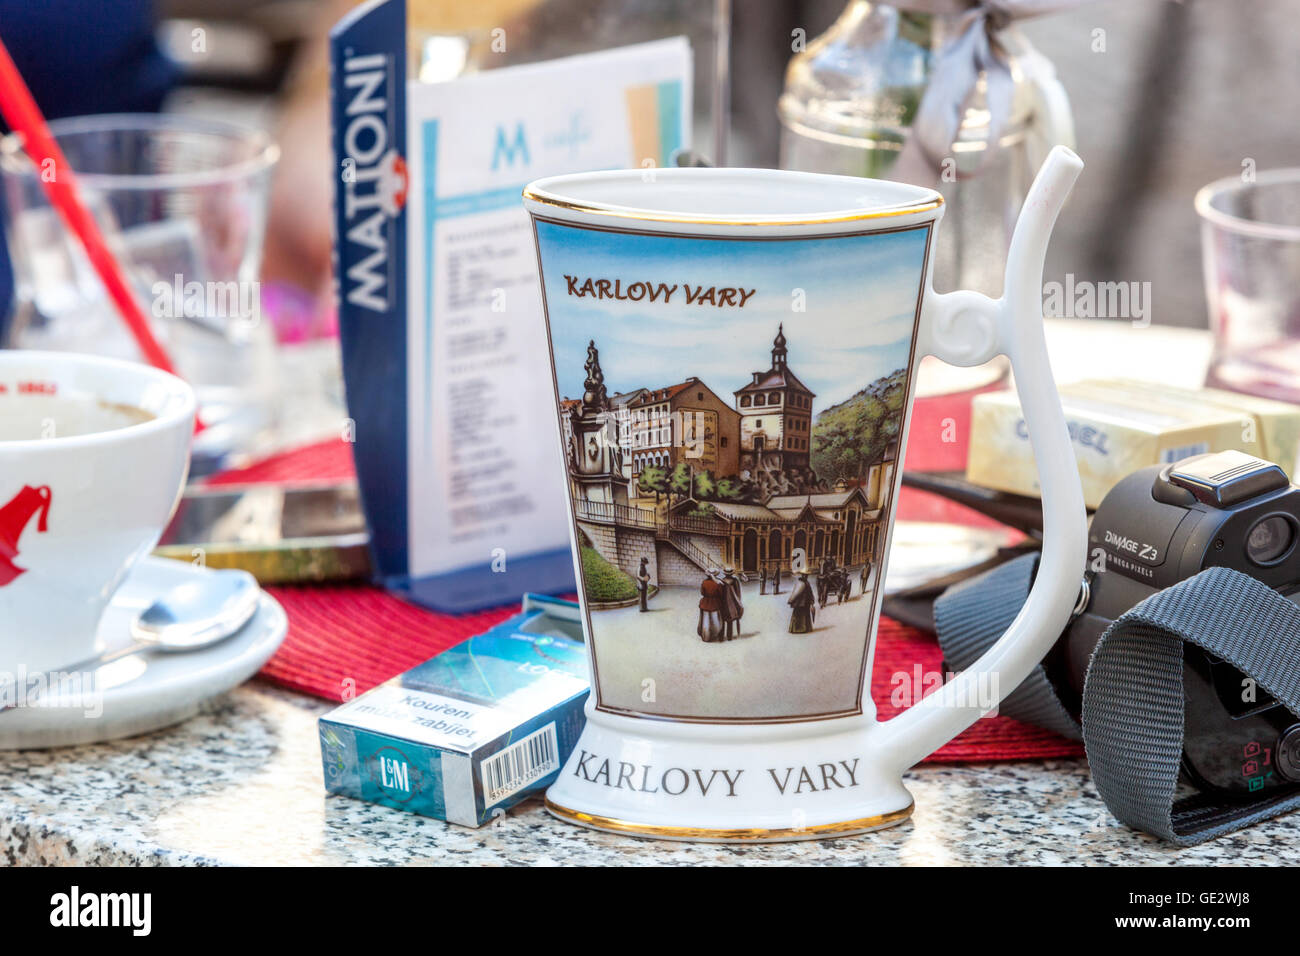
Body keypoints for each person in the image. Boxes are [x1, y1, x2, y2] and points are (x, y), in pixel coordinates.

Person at [698, 568, 725, 643]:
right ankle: (715, 634)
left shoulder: (704, 582)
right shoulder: (718, 583)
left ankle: (706, 636)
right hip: (715, 603)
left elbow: (702, 593)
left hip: (705, 602)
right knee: (716, 620)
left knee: (706, 621)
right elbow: (721, 594)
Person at [720, 565, 744, 639]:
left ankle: (721, 637)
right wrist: (738, 600)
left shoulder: (722, 581)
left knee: (722, 618)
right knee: (730, 619)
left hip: (723, 602)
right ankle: (729, 636)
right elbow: (738, 592)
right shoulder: (734, 581)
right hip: (732, 602)